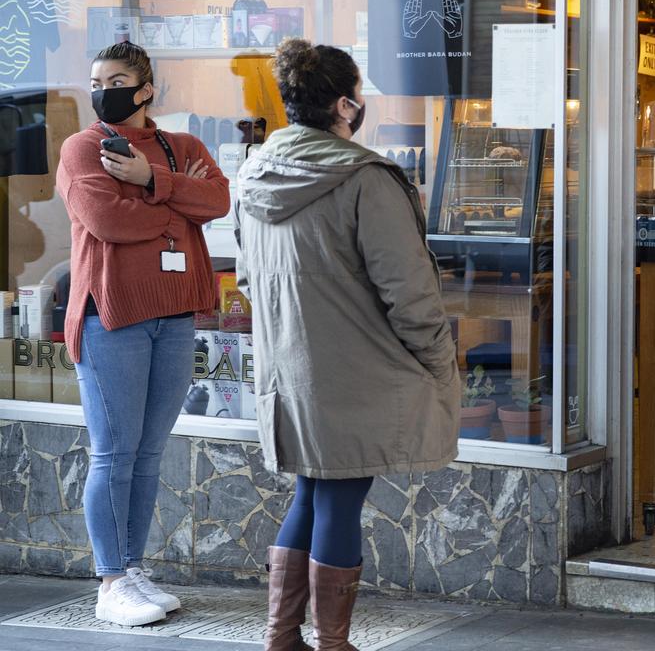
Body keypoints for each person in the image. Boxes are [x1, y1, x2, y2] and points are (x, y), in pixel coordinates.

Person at [234, 39, 459, 651]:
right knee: (338, 497)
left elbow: (250, 279)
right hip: (358, 372)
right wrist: (440, 364)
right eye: (357, 96)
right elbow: (409, 294)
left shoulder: (253, 174)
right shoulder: (365, 179)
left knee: (312, 490)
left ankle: (282, 638)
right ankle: (332, 643)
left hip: (291, 371)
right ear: (343, 105)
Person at [55, 41, 230, 626]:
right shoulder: (82, 148)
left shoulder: (180, 148)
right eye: (96, 77)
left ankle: (131, 567)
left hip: (175, 315)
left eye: (118, 78)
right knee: (114, 453)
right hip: (112, 317)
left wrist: (151, 178)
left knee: (149, 452)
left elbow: (221, 198)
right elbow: (106, 219)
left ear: (146, 87)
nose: (104, 87)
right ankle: (109, 581)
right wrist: (177, 204)